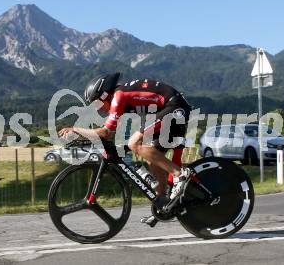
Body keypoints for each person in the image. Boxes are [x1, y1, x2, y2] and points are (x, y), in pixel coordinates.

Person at [58, 73, 192, 225]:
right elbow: (108, 133)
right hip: (170, 108)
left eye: (97, 103)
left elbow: (105, 132)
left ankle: (180, 174)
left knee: (134, 143)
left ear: (104, 95)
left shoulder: (119, 96)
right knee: (153, 158)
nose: (98, 108)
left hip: (174, 106)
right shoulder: (120, 97)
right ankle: (163, 205)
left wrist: (76, 130)